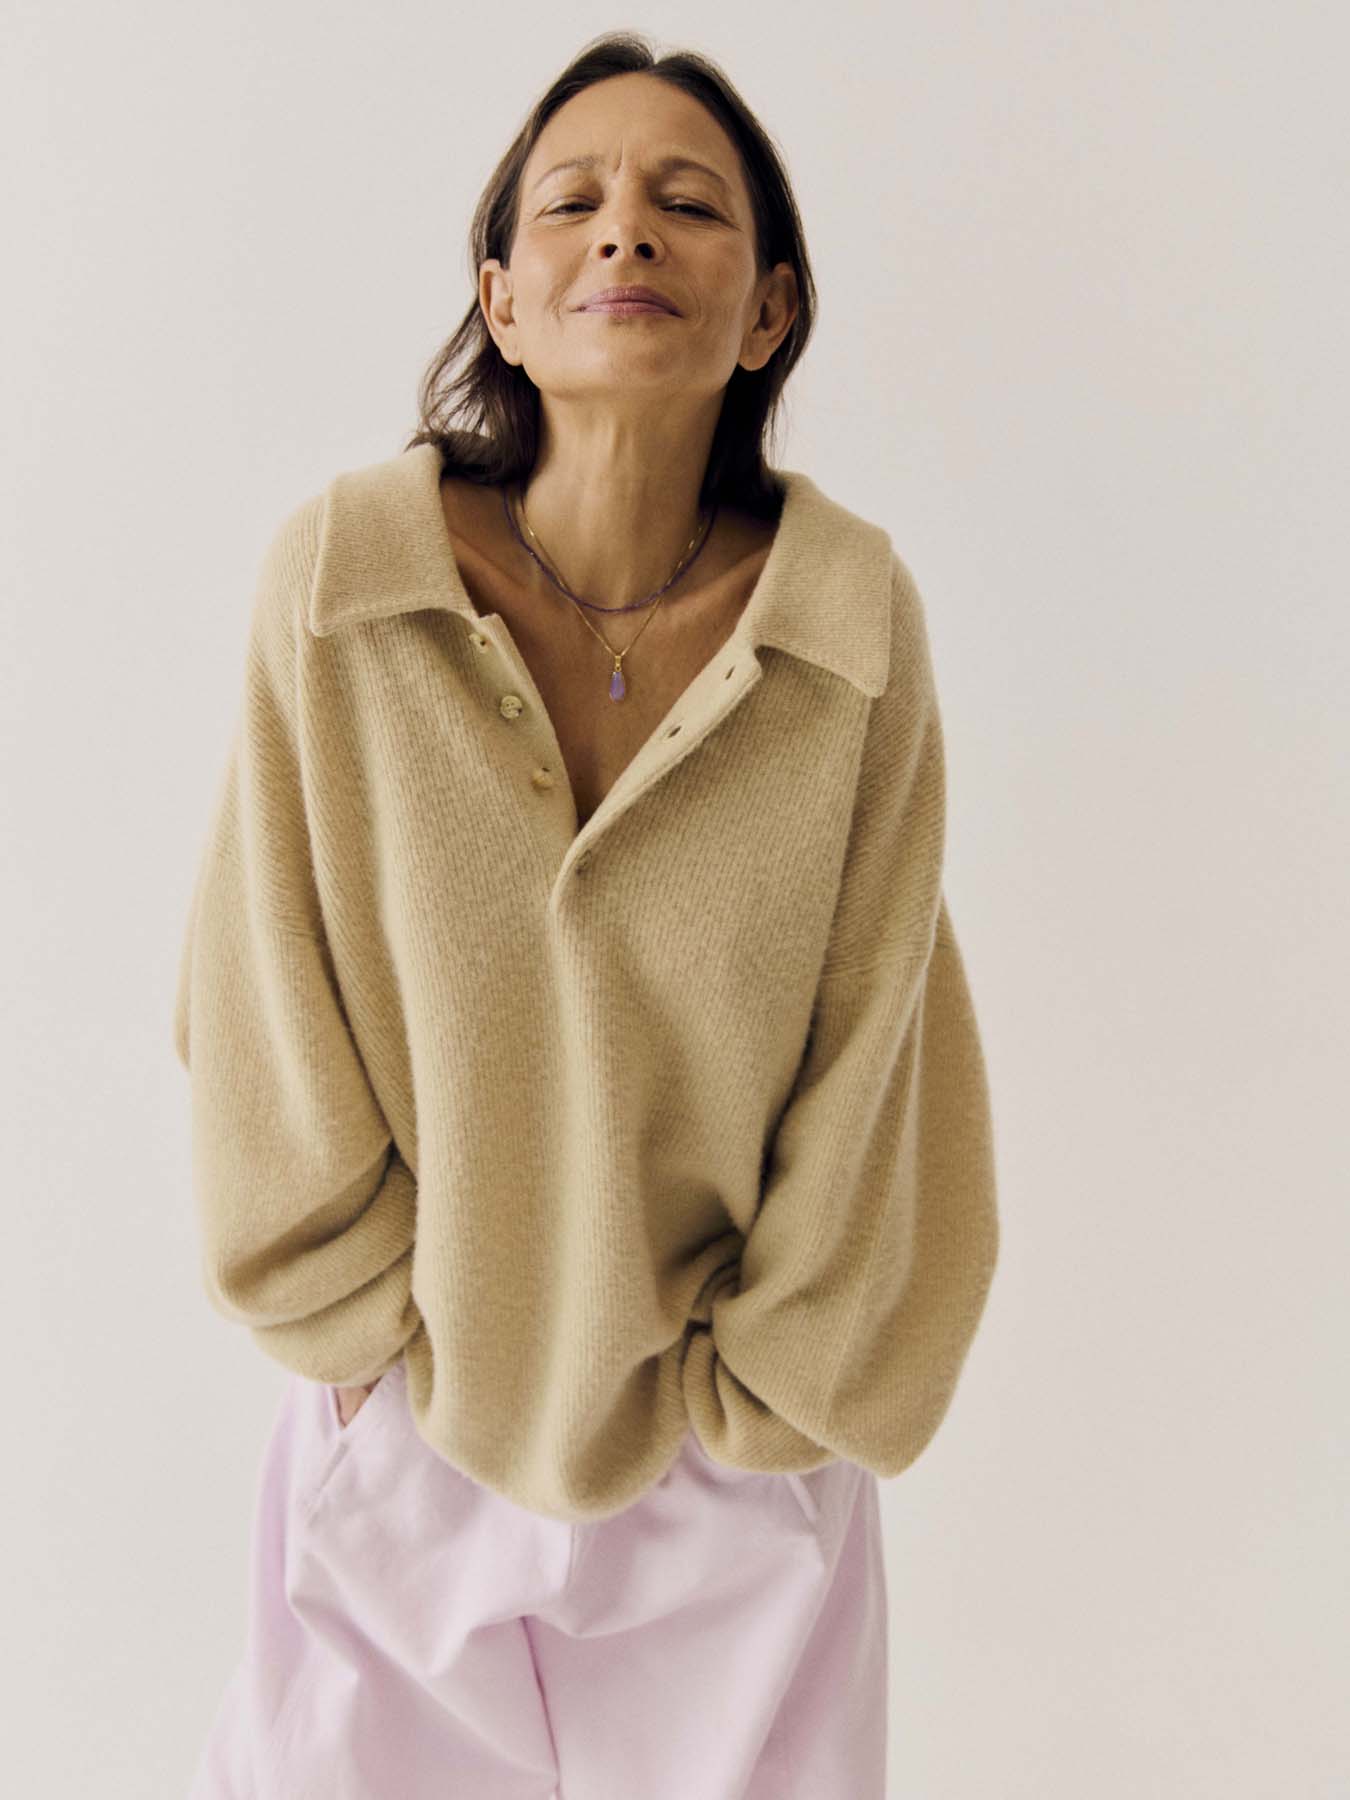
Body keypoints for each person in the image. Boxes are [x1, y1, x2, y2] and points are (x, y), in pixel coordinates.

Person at [174, 30, 999, 1800]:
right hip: (407, 1425)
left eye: (687, 203)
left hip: (736, 1468)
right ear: (501, 296)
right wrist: (360, 1342)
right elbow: (258, 982)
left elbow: (881, 1043)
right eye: (571, 201)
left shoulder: (846, 630)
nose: (625, 229)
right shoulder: (345, 588)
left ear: (769, 309)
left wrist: (772, 1402)